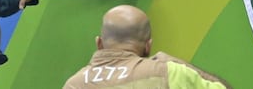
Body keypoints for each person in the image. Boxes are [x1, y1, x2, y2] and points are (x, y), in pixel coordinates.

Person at [63, 5, 231, 88]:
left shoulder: (74, 83)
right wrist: (181, 64)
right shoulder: (168, 72)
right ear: (148, 46)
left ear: (99, 43)